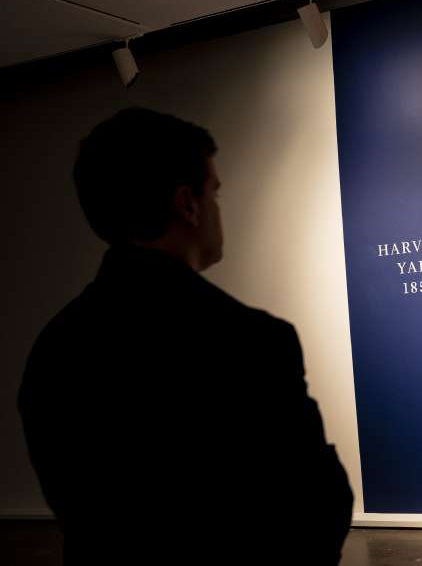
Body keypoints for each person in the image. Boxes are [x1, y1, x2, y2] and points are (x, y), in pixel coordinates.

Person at [18, 108, 353, 564]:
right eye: (214, 191)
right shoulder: (250, 340)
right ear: (187, 204)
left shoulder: (54, 348)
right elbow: (317, 508)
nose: (218, 207)